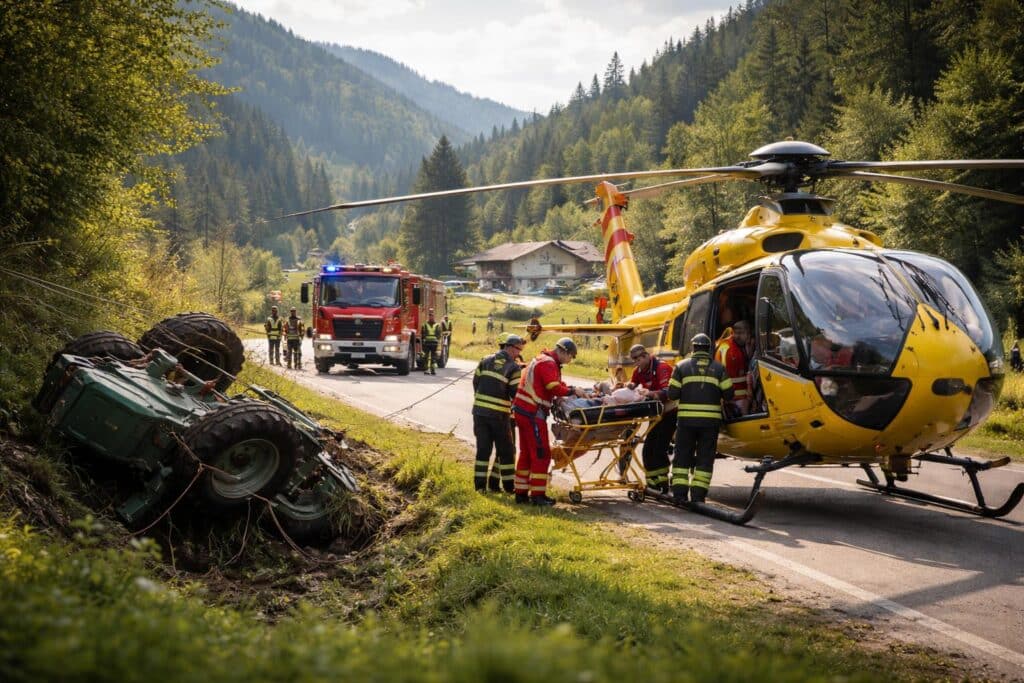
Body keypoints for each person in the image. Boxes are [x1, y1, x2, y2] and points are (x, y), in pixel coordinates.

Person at [512, 337, 587, 506]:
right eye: (571, 356)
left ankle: (521, 493)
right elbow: (553, 387)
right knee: (541, 453)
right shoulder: (549, 363)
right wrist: (573, 391)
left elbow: (555, 383)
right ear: (564, 352)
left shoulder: (544, 359)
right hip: (532, 412)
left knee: (526, 453)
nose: (570, 360)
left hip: (523, 411)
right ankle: (538, 496)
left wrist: (566, 389)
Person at [666, 333, 734, 504]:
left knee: (682, 457)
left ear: (693, 348)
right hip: (710, 423)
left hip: (686, 422)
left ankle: (680, 495)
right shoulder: (719, 369)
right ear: (709, 349)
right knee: (705, 458)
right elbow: (729, 394)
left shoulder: (681, 367)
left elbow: (672, 394)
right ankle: (698, 496)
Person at [473, 334, 525, 494]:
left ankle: (480, 487)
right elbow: (515, 393)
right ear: (510, 347)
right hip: (499, 416)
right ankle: (510, 488)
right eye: (518, 350)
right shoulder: (514, 367)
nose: (519, 353)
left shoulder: (485, 360)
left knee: (483, 450)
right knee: (507, 451)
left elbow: (475, 382)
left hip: (479, 413)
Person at [627, 343, 676, 494]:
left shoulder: (661, 368)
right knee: (649, 449)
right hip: (655, 414)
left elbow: (668, 391)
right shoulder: (639, 370)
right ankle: (653, 483)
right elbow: (633, 384)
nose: (636, 363)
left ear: (646, 356)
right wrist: (627, 386)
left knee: (659, 448)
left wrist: (650, 394)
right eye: (634, 360)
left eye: (638, 359)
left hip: (669, 413)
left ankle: (662, 482)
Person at [715, 320, 751, 415]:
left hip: (739, 396)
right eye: (737, 333)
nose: (739, 336)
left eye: (742, 333)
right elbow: (725, 376)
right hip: (735, 398)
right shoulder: (730, 349)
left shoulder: (738, 346)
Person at [420, 308, 442, 375]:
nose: (431, 317)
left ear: (433, 317)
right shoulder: (425, 325)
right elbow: (422, 334)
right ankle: (426, 370)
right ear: (428, 317)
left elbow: (439, 334)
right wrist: (423, 341)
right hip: (426, 343)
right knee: (426, 357)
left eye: (432, 316)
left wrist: (437, 341)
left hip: (434, 344)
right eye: (430, 316)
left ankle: (433, 370)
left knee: (433, 358)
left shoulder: (437, 325)